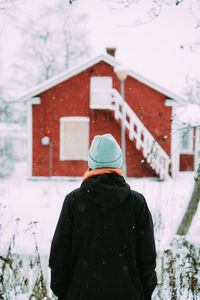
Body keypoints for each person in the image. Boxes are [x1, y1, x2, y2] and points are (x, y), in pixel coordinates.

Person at [49, 133, 157, 300]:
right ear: (118, 162)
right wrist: (145, 292)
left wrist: (62, 292)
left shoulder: (74, 202)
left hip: (80, 294)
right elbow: (147, 258)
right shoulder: (137, 203)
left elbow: (59, 256)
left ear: (91, 163)